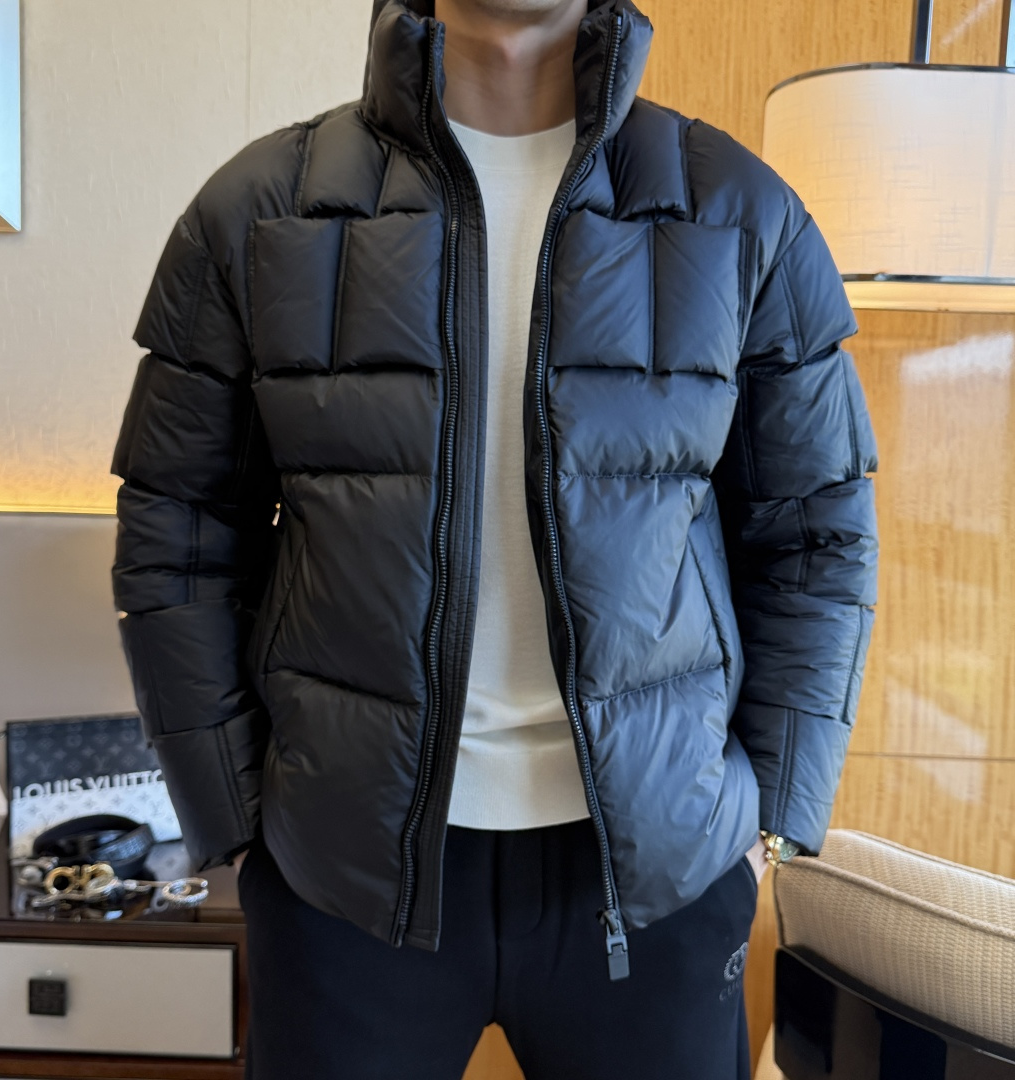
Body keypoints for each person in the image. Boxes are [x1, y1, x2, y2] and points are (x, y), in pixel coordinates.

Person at [110, 0, 879, 1076]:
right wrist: (237, 817)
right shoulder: (257, 213)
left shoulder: (741, 213)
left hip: (656, 876)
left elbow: (816, 537)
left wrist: (772, 814)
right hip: (344, 877)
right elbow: (178, 531)